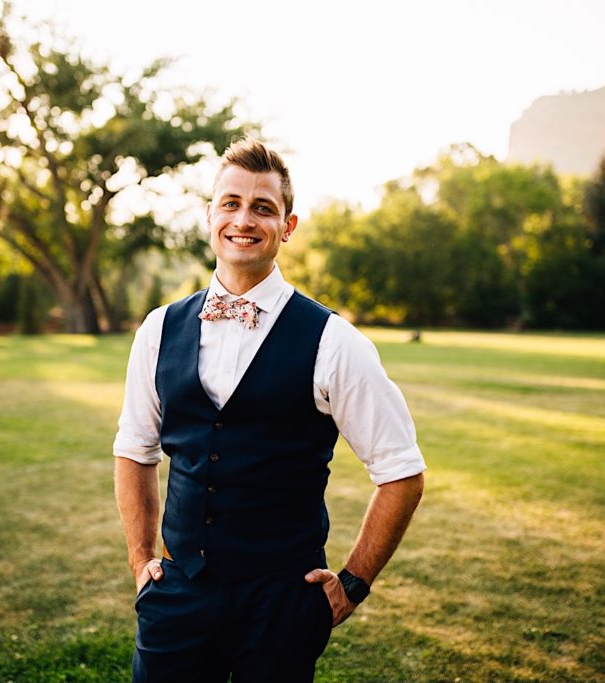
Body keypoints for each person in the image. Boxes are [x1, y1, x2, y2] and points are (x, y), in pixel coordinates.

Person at [113, 137, 425, 682]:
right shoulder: (158, 330)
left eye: (263, 207)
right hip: (177, 599)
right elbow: (134, 452)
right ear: (210, 214)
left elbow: (401, 472)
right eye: (230, 203)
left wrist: (353, 583)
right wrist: (142, 562)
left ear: (288, 225)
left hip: (282, 606)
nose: (243, 219)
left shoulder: (334, 342)